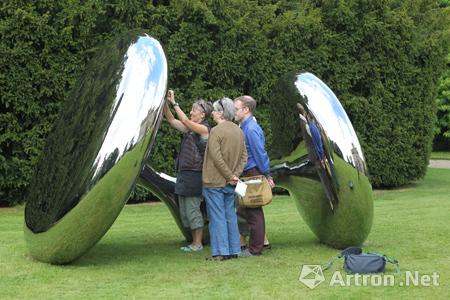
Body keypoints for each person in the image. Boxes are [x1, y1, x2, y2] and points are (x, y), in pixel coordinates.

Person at [164, 89, 213, 252]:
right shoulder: (191, 129)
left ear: (202, 116)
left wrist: (175, 102)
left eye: (194, 110)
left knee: (192, 209)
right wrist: (164, 102)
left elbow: (184, 120)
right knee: (185, 211)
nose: (191, 112)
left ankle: (197, 244)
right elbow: (171, 120)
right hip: (184, 174)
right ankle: (194, 241)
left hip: (195, 175)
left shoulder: (204, 130)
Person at [202, 97, 247, 261]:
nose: (212, 113)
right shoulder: (239, 131)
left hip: (214, 181)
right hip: (231, 182)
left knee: (217, 217)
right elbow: (244, 157)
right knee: (230, 215)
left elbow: (216, 157)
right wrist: (235, 176)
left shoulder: (215, 131)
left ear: (221, 112)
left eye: (214, 110)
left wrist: (230, 176)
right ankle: (234, 250)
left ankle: (221, 252)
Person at [233, 95, 274, 257]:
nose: (234, 112)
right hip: (245, 175)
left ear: (246, 109)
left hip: (252, 174)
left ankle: (256, 249)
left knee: (254, 211)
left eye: (236, 109)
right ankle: (252, 245)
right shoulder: (245, 127)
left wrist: (267, 174)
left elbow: (260, 154)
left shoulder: (250, 129)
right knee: (245, 208)